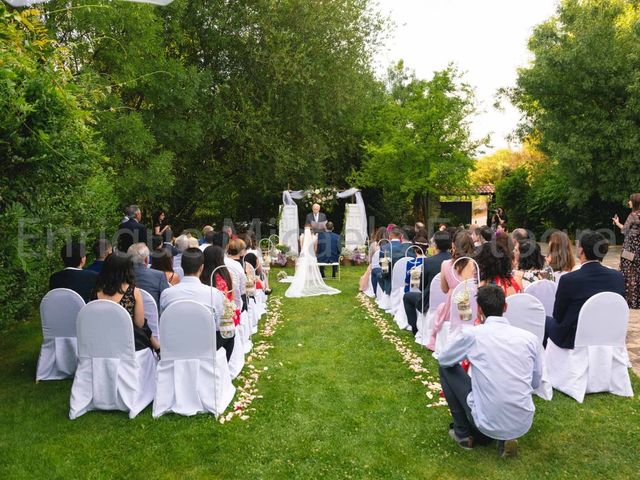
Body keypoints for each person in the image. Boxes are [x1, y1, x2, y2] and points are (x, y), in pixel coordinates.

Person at [438, 285, 543, 457]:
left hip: (487, 419)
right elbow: (536, 381)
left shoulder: (473, 335)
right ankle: (506, 435)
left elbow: (444, 359)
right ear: (505, 307)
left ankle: (462, 433)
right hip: (522, 419)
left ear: (478, 309)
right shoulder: (529, 338)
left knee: (445, 368)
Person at [545, 231, 625, 349]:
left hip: (573, 338)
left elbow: (558, 315)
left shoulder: (569, 279)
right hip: (606, 334)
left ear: (581, 251)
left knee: (544, 319)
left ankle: (547, 363)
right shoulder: (617, 277)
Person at [160, 248, 232, 360]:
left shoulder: (166, 294)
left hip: (175, 344)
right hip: (205, 346)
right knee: (229, 332)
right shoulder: (214, 293)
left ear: (182, 267)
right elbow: (219, 325)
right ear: (201, 267)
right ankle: (223, 368)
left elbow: (163, 322)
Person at [93, 253, 158, 352]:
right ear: (128, 269)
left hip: (101, 342)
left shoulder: (96, 291)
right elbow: (139, 323)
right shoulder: (133, 292)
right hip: (128, 343)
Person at [427, 230, 476, 350]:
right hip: (472, 307)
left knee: (440, 309)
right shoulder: (475, 264)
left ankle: (434, 341)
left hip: (452, 309)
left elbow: (444, 289)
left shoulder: (445, 264)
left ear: (453, 245)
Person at [403, 231, 452, 335]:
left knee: (407, 297)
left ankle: (415, 328)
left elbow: (422, 287)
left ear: (435, 245)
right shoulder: (456, 261)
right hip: (451, 300)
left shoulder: (428, 262)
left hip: (430, 301)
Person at [285, 225, 341, 298]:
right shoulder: (337, 236)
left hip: (320, 257)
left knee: (320, 256)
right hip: (333, 258)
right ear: (333, 228)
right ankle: (334, 273)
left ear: (325, 228)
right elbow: (338, 249)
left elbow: (318, 248)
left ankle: (322, 274)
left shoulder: (320, 236)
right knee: (330, 255)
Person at [201, 246, 240, 327]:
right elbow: (232, 297)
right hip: (226, 316)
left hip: (205, 317)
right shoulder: (227, 275)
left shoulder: (201, 276)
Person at [613, 193, 640, 308]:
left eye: (630, 201)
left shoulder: (632, 215)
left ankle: (630, 302)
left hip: (629, 251)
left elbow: (625, 231)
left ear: (634, 202)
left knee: (629, 275)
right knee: (637, 275)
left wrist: (617, 222)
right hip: (638, 251)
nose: (628, 202)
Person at [128, 243, 170, 308]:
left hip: (128, 314)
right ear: (146, 259)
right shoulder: (159, 275)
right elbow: (166, 299)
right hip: (153, 316)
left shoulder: (121, 274)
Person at [377, 227, 415, 296]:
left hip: (391, 281)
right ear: (401, 236)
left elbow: (384, 269)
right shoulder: (411, 248)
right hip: (410, 279)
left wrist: (383, 275)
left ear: (390, 236)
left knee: (379, 275)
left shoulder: (385, 247)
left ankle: (386, 295)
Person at [361, 227, 388, 293]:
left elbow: (369, 259)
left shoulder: (374, 245)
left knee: (370, 267)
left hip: (376, 266)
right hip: (386, 266)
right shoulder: (389, 245)